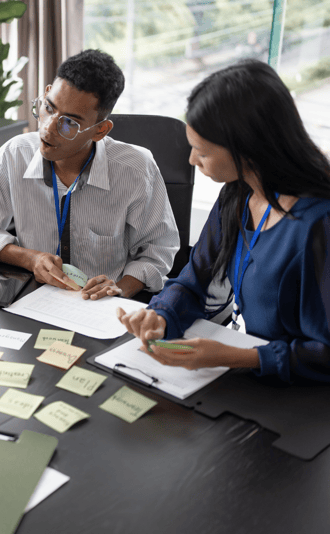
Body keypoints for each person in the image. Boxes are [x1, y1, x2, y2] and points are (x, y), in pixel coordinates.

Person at [117, 59, 330, 383]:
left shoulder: (319, 224)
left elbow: (325, 353)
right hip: (253, 370)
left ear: (247, 149)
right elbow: (195, 280)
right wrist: (161, 316)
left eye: (201, 152)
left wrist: (238, 357)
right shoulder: (238, 194)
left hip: (303, 397)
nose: (191, 161)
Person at [0, 49, 179, 300]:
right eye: (48, 108)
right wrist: (31, 258)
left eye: (70, 123)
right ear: (45, 93)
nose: (48, 128)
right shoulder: (14, 155)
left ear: (100, 130)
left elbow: (158, 251)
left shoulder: (136, 170)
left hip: (101, 305)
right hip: (33, 298)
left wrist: (120, 289)